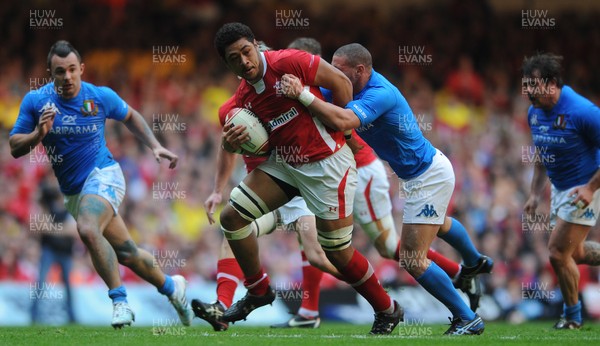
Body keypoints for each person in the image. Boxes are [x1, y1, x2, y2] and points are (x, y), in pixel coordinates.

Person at [280, 43, 492, 335]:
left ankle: (466, 316)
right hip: (419, 174)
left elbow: (342, 119)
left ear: (360, 71)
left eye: (338, 70)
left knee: (412, 258)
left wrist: (301, 93)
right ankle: (473, 261)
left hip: (428, 176)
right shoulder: (346, 87)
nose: (332, 74)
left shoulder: (381, 93)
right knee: (438, 224)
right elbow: (316, 100)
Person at [212, 23, 402, 335]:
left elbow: (342, 82)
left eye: (247, 51)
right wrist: (232, 144)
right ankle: (259, 290)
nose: (244, 61)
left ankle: (387, 309)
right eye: (235, 58)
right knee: (231, 218)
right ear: (228, 63)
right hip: (287, 165)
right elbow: (262, 142)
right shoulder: (244, 97)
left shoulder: (290, 61)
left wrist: (340, 126)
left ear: (255, 45)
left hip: (328, 166)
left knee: (337, 254)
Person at [9, 40, 193, 328]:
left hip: (104, 174)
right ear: (50, 73)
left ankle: (119, 301)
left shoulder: (99, 96)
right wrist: (37, 135)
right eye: (60, 72)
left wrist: (154, 146)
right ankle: (172, 287)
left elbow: (130, 115)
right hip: (74, 193)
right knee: (128, 253)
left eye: (72, 69)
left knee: (87, 228)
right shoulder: (36, 101)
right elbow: (14, 146)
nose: (67, 77)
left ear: (81, 69)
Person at [522, 53, 600, 329]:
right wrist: (534, 194)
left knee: (556, 253)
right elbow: (542, 156)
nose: (528, 91)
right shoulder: (534, 113)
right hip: (560, 188)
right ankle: (572, 314)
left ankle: (573, 316)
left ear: (552, 84)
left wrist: (591, 189)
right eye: (526, 84)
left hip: (586, 187)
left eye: (534, 85)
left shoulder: (583, 111)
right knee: (574, 254)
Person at [30, 176, 77, 324]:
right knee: (41, 282)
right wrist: (61, 229)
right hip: (49, 249)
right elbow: (41, 227)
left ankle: (71, 316)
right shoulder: (46, 203)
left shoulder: (72, 205)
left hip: (65, 251)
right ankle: (34, 315)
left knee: (68, 286)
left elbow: (73, 231)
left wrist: (52, 228)